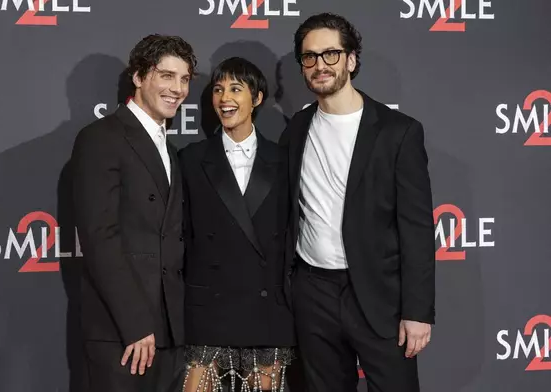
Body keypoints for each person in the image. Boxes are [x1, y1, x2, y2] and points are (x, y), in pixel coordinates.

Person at [279, 12, 436, 392]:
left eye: (331, 54)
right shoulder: (297, 129)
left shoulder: (399, 132)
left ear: (351, 60)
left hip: (378, 296)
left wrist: (417, 312)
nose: (320, 65)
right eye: (310, 57)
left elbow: (416, 227)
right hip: (312, 292)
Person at [71, 34, 197, 391]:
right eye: (167, 76)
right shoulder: (101, 138)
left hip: (170, 333)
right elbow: (100, 238)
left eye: (185, 79)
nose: (178, 88)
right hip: (124, 335)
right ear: (139, 77)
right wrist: (136, 324)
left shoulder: (169, 149)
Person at [178, 57, 295, 392]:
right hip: (209, 306)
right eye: (218, 89)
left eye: (235, 88)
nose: (224, 98)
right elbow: (182, 235)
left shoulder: (284, 159)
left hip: (266, 309)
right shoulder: (191, 159)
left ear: (256, 98)